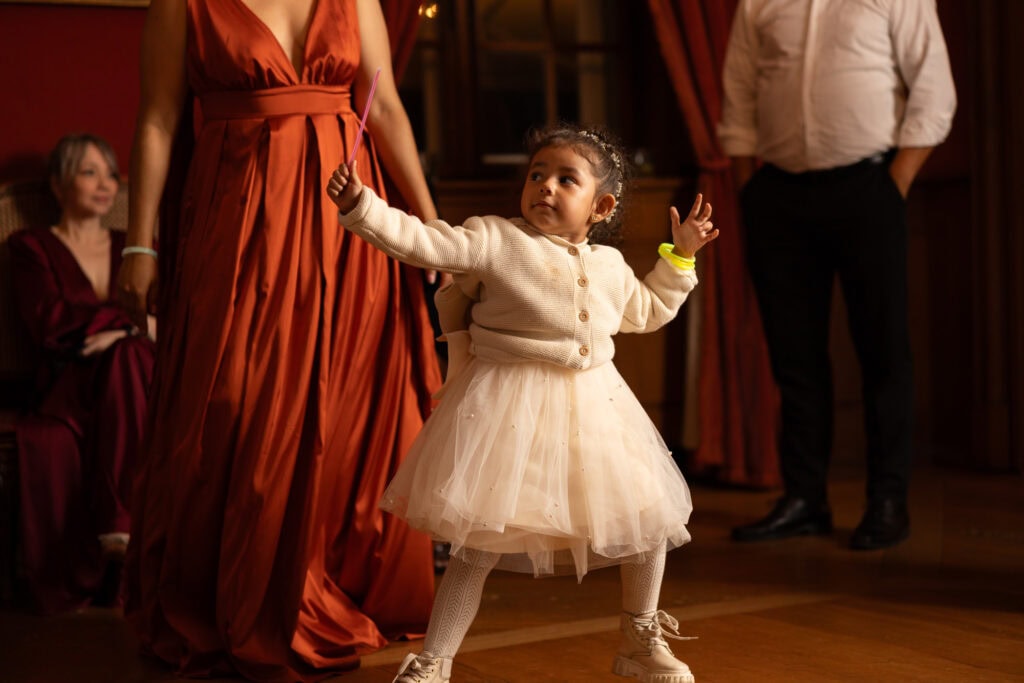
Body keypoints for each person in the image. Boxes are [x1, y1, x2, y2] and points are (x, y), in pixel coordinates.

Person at [114, 0, 442, 679]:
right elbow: (156, 120)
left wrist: (430, 223)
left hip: (347, 224)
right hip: (238, 222)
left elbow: (383, 109)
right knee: (229, 398)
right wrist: (139, 243)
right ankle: (231, 596)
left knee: (341, 409)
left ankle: (318, 584)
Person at [327, 123, 719, 683]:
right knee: (479, 542)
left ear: (601, 205)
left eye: (566, 179)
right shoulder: (494, 240)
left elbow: (649, 309)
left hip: (597, 409)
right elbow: (423, 241)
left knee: (646, 522)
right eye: (537, 175)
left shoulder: (608, 267)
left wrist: (680, 258)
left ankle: (639, 638)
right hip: (507, 411)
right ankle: (433, 664)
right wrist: (362, 205)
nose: (546, 187)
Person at [718, 0, 957, 550]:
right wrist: (748, 189)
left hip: (869, 188)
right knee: (793, 356)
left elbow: (935, 89)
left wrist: (894, 185)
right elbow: (740, 92)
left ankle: (888, 501)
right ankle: (805, 499)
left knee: (883, 353)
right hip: (777, 193)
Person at [8, 133, 156, 614]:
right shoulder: (29, 246)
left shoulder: (135, 249)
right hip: (68, 384)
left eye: (111, 173)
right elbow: (50, 323)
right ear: (57, 184)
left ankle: (123, 531)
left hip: (134, 381)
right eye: (89, 171)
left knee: (130, 356)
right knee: (131, 350)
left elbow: (168, 319)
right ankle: (117, 531)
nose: (106, 183)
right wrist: (131, 327)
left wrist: (121, 336)